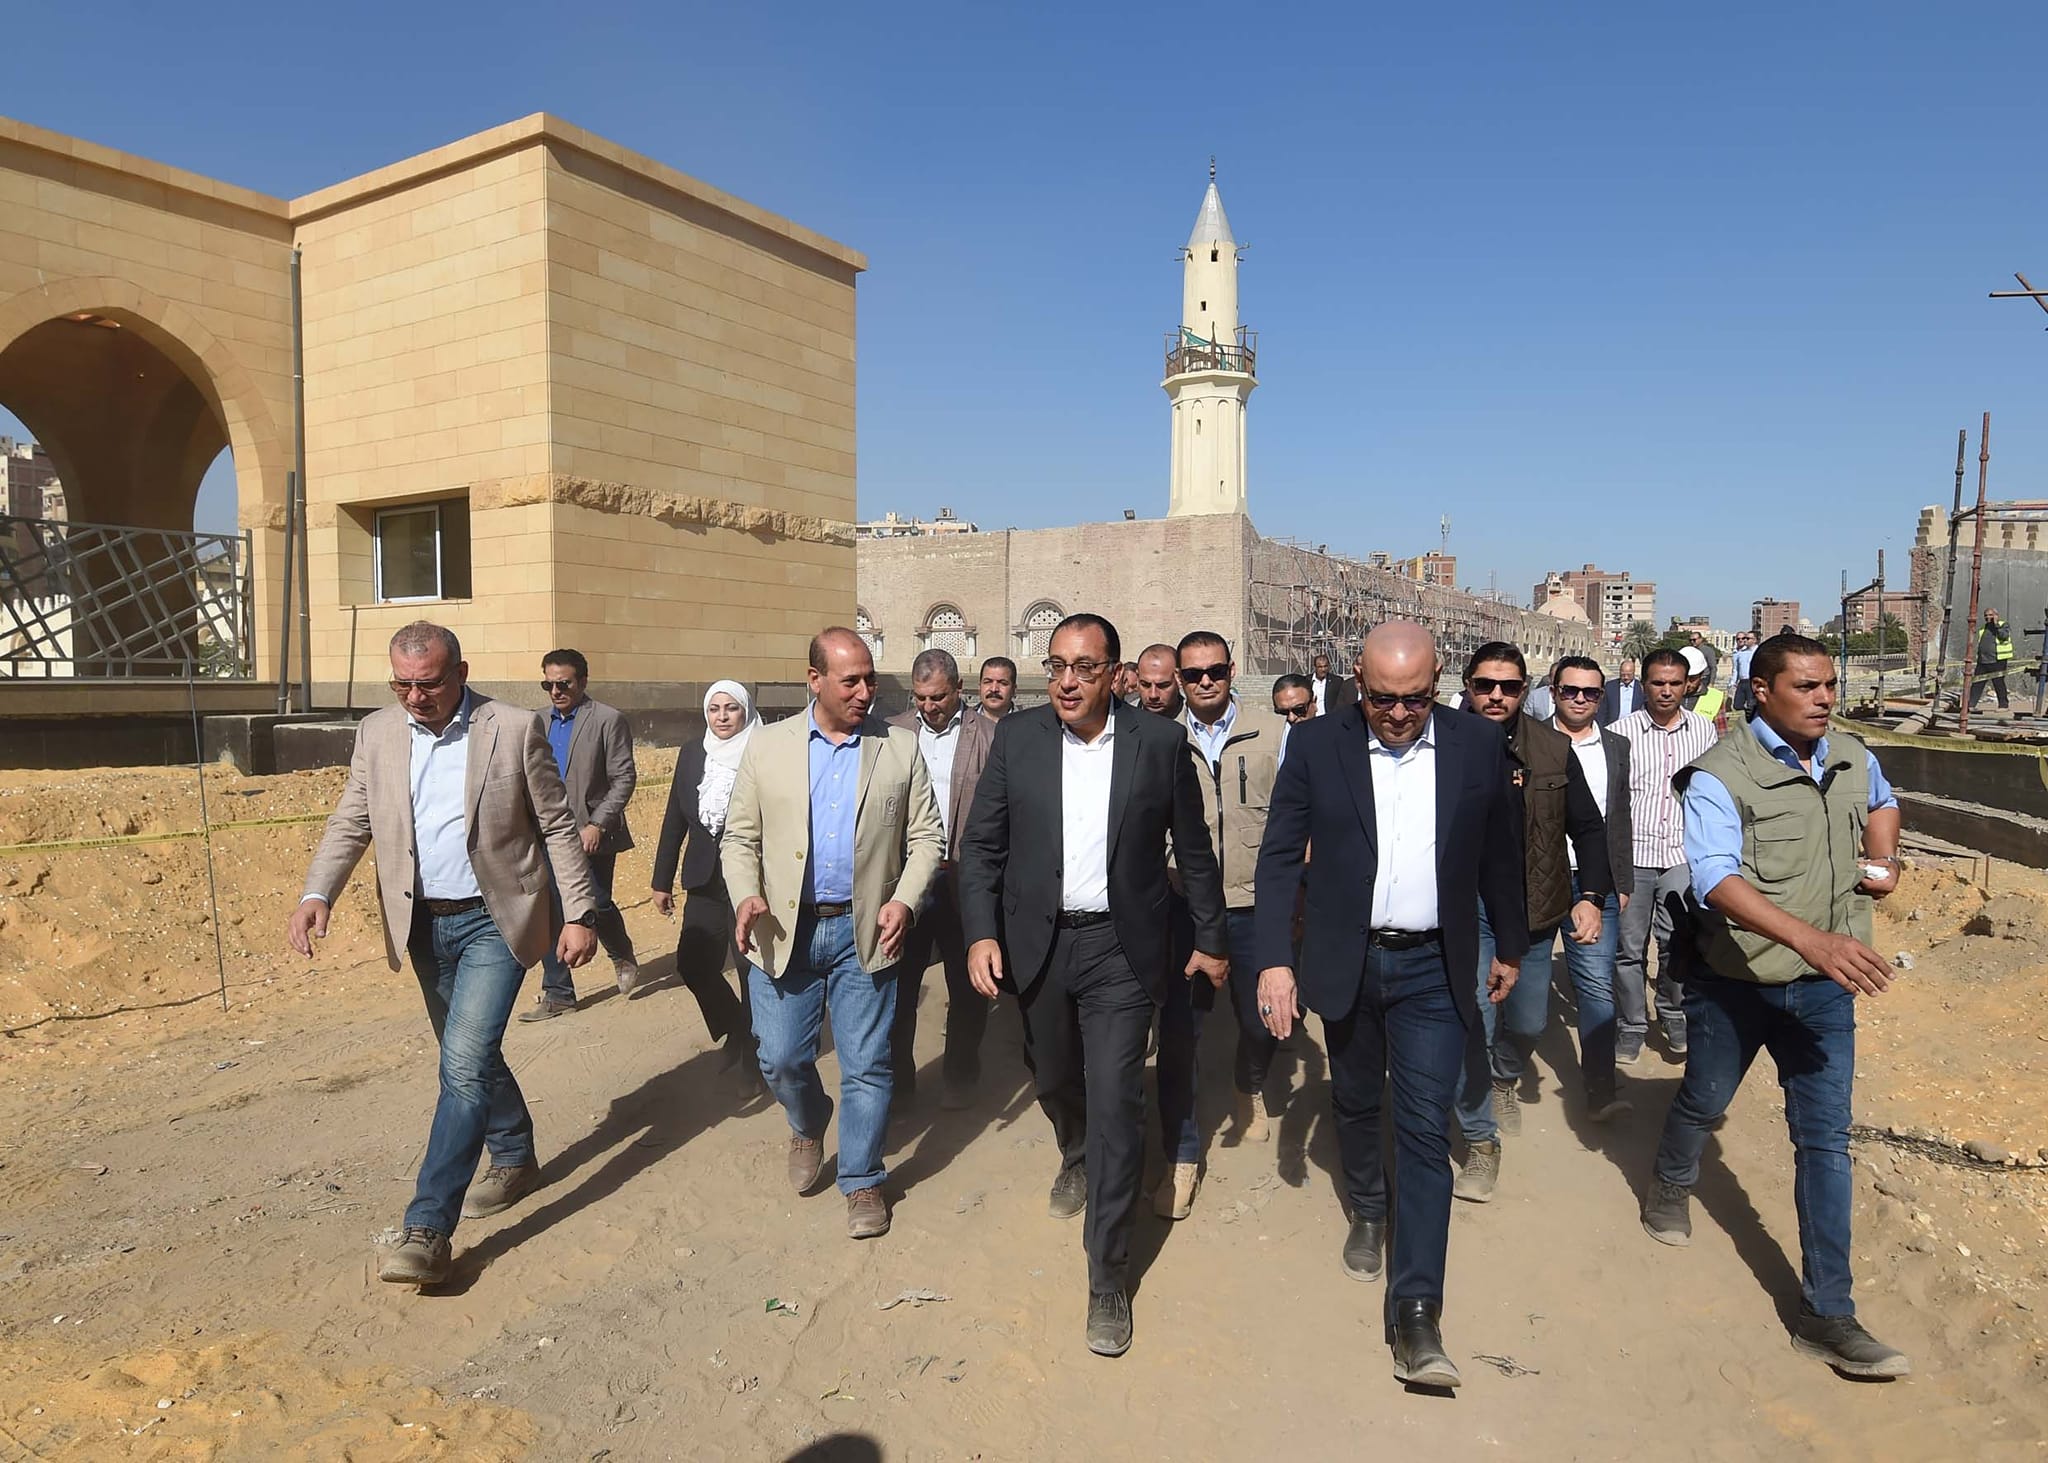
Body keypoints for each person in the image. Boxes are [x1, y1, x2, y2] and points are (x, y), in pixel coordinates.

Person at [287, 622, 600, 1286]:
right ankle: (514, 1154)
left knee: (461, 1064)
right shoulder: (377, 733)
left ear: (460, 671)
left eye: (427, 683)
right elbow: (352, 818)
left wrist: (579, 912)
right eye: (401, 683)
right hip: (422, 925)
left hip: (496, 920)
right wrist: (318, 892)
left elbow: (555, 824)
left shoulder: (511, 727)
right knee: (470, 1054)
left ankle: (428, 1227)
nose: (414, 696)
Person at [1254, 622, 1525, 1389]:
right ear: (1357, 680)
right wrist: (1274, 959)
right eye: (1381, 699)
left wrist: (1508, 943)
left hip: (1435, 967)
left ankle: (1416, 1313)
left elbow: (1499, 852)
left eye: (1413, 698)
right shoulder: (1317, 745)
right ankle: (1368, 1206)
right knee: (1352, 1097)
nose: (1399, 714)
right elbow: (1279, 857)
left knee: (1423, 1126)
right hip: (1346, 961)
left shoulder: (1477, 745)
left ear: (1437, 682)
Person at [959, 613, 1228, 1358]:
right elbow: (982, 846)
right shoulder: (1018, 740)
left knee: (1117, 1100)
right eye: (1057, 666)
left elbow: (1195, 852)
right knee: (1053, 1076)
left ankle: (1107, 1273)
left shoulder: (1159, 744)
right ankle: (1073, 1150)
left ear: (1115, 675)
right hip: (1038, 943)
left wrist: (1211, 939)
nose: (1067, 681)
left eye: (1084, 667)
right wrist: (981, 932)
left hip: (1122, 947)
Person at [1643, 633, 1909, 1380]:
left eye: (1829, 684)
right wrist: (1811, 940)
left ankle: (1826, 1314)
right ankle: (1671, 1179)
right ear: (1761, 691)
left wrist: (1884, 859)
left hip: (1825, 989)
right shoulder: (1720, 774)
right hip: (1738, 982)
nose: (1824, 698)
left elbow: (1884, 803)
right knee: (1704, 1098)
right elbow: (1715, 880)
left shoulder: (1851, 754)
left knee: (1824, 1141)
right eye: (1806, 686)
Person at [721, 628, 945, 1240]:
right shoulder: (768, 746)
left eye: (870, 678)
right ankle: (809, 1118)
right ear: (814, 680)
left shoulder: (899, 747)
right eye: (851, 681)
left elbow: (927, 836)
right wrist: (745, 893)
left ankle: (863, 1178)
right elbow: (739, 837)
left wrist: (904, 900)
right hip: (781, 930)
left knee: (867, 1064)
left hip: (864, 930)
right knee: (781, 1057)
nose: (865, 691)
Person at [1451, 642, 1612, 1202]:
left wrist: (1590, 896)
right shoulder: (1439, 743)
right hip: (1465, 909)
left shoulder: (1552, 749)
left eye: (1509, 686)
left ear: (1526, 690)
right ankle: (1480, 1139)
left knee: (1525, 1021)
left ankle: (1504, 1075)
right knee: (1473, 1017)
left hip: (1533, 908)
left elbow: (1588, 828)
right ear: (1468, 685)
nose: (1496, 696)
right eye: (1485, 685)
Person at [1178, 631, 1288, 1166]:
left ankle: (1250, 1085)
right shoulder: (1162, 738)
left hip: (1254, 902)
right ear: (1180, 679)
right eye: (1194, 674)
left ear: (1231, 671)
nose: (1205, 682)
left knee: (1259, 1017)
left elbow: (1293, 817)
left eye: (1215, 671)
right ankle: (1183, 1123)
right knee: (1184, 1023)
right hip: (1187, 905)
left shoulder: (1273, 732)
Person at [886, 648, 997, 1110]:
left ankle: (961, 1073)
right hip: (907, 881)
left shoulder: (989, 736)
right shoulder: (892, 734)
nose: (929, 707)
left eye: (938, 697)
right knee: (898, 987)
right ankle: (899, 1084)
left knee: (967, 986)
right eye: (921, 698)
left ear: (959, 689)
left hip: (963, 880)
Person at [1612, 647, 1719, 1063]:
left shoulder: (1703, 732)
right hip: (1634, 855)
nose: (1667, 691)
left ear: (1687, 685)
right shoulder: (1621, 733)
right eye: (1658, 683)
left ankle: (1673, 1014)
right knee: (1628, 948)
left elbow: (1710, 793)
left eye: (1675, 683)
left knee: (1677, 941)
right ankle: (1631, 1025)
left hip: (1680, 855)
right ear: (1644, 685)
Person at [522, 649, 640, 1020]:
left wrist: (597, 823)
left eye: (564, 684)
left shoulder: (607, 720)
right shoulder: (535, 721)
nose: (556, 691)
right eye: (548, 685)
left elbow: (624, 778)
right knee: (547, 909)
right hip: (544, 832)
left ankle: (620, 952)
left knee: (596, 903)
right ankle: (558, 993)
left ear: (582, 681)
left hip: (590, 832)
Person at [649, 680, 760, 1066]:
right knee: (693, 963)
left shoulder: (762, 751)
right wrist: (661, 880)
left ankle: (754, 1061)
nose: (722, 717)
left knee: (750, 970)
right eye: (715, 709)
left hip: (751, 881)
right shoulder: (693, 752)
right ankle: (737, 1028)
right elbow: (674, 817)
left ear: (746, 711)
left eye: (731, 708)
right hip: (704, 877)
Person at [1546, 655, 1636, 1118]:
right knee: (1519, 987)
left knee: (1597, 985)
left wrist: (1620, 879)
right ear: (1553, 692)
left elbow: (1620, 817)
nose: (1580, 699)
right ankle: (1503, 1069)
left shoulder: (1617, 747)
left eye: (1590, 692)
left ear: (1602, 697)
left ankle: (1601, 1088)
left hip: (1595, 883)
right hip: (1539, 879)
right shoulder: (1530, 741)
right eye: (1570, 691)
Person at [1970, 609, 2013, 711]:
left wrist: (1996, 624)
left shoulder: (2003, 625)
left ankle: (2003, 705)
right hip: (1983, 660)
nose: (1988, 617)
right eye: (1986, 615)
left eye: (1990, 615)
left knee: (1999, 683)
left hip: (1997, 660)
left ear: (1996, 615)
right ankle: (1971, 704)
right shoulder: (1983, 628)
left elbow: (2004, 636)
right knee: (1977, 683)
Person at [1272, 672, 1315, 764]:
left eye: (1299, 709)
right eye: (1283, 712)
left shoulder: (1335, 739)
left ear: (1313, 702)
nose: (1291, 718)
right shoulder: (1269, 745)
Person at [1133, 643, 1184, 718]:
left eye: (1163, 686)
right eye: (1145, 685)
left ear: (1179, 678)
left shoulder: (1197, 717)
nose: (1153, 695)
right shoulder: (1123, 716)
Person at [1682, 646, 1728, 728]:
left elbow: (1721, 732)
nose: (1687, 683)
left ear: (1701, 674)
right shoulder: (1668, 695)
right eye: (1683, 678)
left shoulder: (1715, 698)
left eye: (1692, 678)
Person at [1597, 657, 1644, 728]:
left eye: (1629, 675)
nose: (1626, 677)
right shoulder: (1610, 686)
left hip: (1634, 726)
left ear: (1634, 673)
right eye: (1623, 675)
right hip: (1613, 726)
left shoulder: (1641, 688)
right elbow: (1602, 710)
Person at [1309, 651, 1357, 717]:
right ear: (1315, 667)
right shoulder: (1307, 681)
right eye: (1320, 667)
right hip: (1312, 718)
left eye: (1325, 666)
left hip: (1329, 718)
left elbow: (1342, 701)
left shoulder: (1336, 681)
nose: (1323, 669)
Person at [978, 657, 1018, 722]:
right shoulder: (963, 721)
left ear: (1014, 689)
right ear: (979, 687)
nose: (994, 689)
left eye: (1003, 683)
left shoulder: (1030, 723)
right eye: (988, 682)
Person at [1728, 632, 1759, 714]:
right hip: (1742, 681)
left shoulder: (1758, 652)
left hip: (1751, 680)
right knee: (1737, 705)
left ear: (1754, 640)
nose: (1745, 640)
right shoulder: (1741, 653)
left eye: (1748, 638)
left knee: (1751, 704)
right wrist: (1733, 682)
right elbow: (1736, 669)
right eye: (1745, 638)